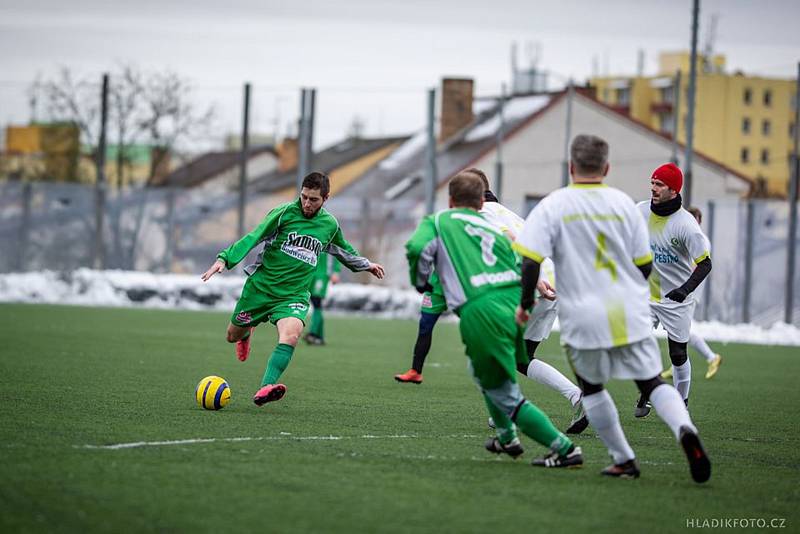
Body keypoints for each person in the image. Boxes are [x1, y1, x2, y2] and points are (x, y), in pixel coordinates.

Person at [513, 134, 710, 482]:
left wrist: (526, 303)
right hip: (631, 306)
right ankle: (684, 428)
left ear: (571, 167)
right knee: (650, 381)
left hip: (584, 311)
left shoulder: (553, 205)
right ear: (606, 168)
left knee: (591, 386)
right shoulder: (624, 204)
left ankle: (624, 459)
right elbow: (645, 266)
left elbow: (530, 262)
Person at [406, 170, 584, 468]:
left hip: (483, 308)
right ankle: (506, 436)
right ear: (481, 200)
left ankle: (565, 450)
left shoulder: (440, 220)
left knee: (503, 390)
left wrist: (421, 280)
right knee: (487, 369)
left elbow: (414, 248)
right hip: (514, 299)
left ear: (450, 200)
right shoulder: (491, 222)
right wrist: (535, 279)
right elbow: (518, 245)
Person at [201, 172, 385, 406]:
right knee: (231, 335)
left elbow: (344, 250)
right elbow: (254, 236)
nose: (307, 204)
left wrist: (366, 264)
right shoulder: (284, 213)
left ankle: (266, 386)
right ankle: (246, 332)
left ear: (326, 199)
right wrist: (224, 259)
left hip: (293, 295)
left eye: (313, 200)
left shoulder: (329, 225)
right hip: (261, 288)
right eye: (304, 197)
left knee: (291, 335)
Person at [634, 164, 713, 418]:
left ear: (674, 190)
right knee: (638, 344)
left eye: (659, 185)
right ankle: (649, 390)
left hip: (677, 299)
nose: (653, 188)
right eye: (652, 182)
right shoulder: (640, 210)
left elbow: (705, 263)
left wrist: (684, 289)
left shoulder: (686, 225)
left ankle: (681, 402)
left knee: (677, 354)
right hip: (646, 295)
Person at [661, 206, 722, 380]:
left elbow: (697, 267)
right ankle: (677, 367)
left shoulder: (700, 239)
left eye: (694, 218)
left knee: (683, 332)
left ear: (699, 221)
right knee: (678, 332)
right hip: (681, 292)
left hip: (688, 293)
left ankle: (711, 357)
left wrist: (683, 286)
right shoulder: (686, 234)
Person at [303, 251, 341, 345]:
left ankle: (313, 333)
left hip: (321, 275)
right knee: (315, 303)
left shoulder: (330, 237)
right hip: (310, 274)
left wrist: (336, 271)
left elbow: (338, 251)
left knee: (317, 302)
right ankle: (319, 337)